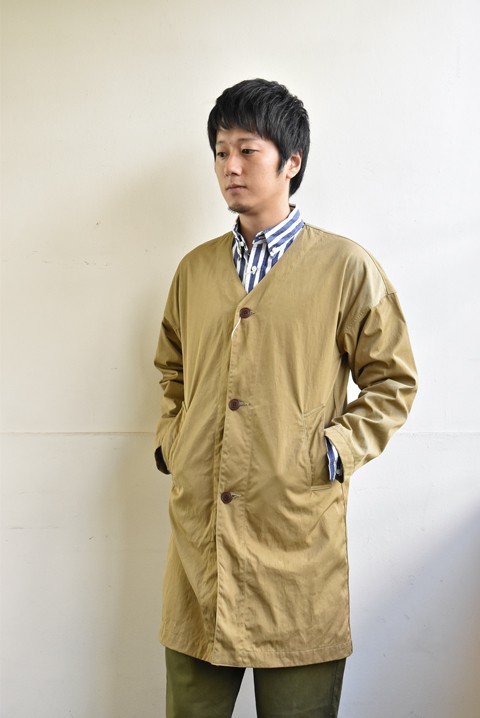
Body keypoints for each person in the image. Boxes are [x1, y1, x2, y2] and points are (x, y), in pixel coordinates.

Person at [153, 78, 417, 718]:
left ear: (291, 162)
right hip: (200, 549)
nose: (230, 167)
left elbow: (393, 381)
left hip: (297, 547)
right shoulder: (194, 270)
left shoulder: (346, 268)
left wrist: (332, 451)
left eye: (247, 150)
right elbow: (172, 371)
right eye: (221, 152)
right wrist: (173, 442)